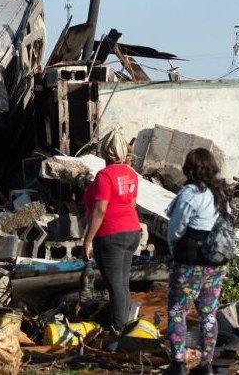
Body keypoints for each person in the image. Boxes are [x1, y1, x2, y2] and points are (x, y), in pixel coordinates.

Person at [163, 148, 230, 375]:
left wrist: (174, 250)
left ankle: (179, 363)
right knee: (209, 314)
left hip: (190, 262)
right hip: (216, 263)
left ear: (189, 168)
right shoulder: (220, 193)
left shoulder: (191, 193)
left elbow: (176, 228)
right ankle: (206, 364)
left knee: (177, 311)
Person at [82, 129, 141, 333]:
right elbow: (132, 204)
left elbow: (100, 209)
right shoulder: (131, 174)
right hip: (132, 231)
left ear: (105, 151)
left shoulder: (104, 176)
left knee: (115, 285)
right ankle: (123, 327)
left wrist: (88, 240)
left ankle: (117, 329)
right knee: (123, 284)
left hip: (111, 235)